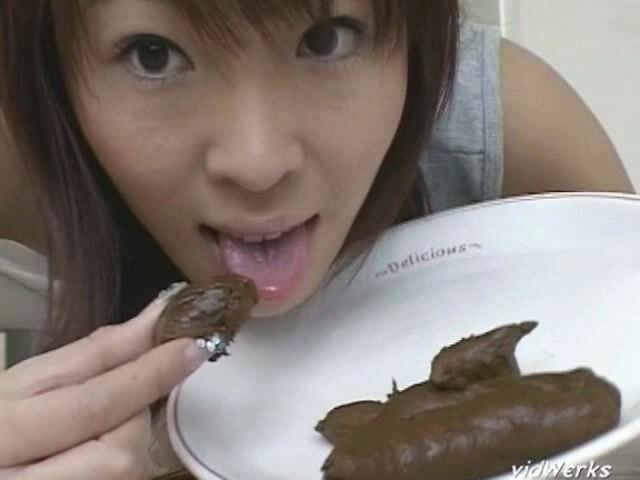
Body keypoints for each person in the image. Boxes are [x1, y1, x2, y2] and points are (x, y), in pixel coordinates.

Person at [0, 1, 634, 479]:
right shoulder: (23, 171)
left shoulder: (512, 127)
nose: (257, 164)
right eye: (153, 55)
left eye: (326, 38)